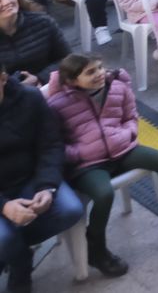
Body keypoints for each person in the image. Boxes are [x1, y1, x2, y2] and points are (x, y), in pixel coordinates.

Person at [44, 53, 158, 275]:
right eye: (90, 72)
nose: (99, 74)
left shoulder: (117, 87)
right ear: (73, 80)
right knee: (104, 194)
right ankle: (97, 249)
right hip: (89, 164)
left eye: (100, 67)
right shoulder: (57, 104)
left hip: (122, 150)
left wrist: (127, 134)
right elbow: (53, 143)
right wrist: (80, 153)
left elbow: (130, 116)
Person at [0, 59, 86, 292]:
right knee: (3, 239)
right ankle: (19, 262)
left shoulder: (29, 98)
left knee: (71, 210)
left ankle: (12, 249)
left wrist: (46, 187)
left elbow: (51, 145)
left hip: (30, 179)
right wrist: (4, 206)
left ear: (3, 78)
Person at [0, 0, 68, 86]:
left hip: (48, 85)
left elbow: (66, 59)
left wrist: (39, 78)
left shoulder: (43, 22)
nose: (6, 2)